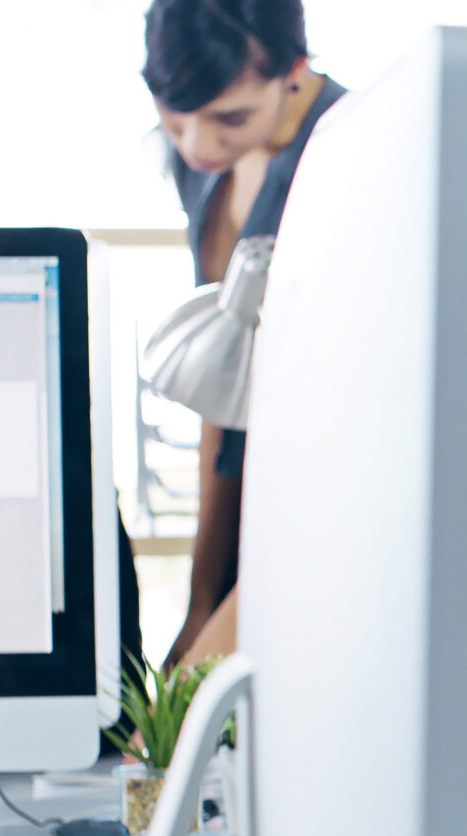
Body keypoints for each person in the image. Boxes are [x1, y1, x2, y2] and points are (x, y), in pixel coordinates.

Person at [142, 0, 342, 668]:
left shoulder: (348, 153)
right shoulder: (201, 165)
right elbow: (227, 397)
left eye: (229, 118)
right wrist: (201, 601)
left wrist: (219, 622)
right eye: (175, 118)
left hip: (334, 503)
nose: (198, 145)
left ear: (295, 69)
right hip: (251, 489)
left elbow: (339, 436)